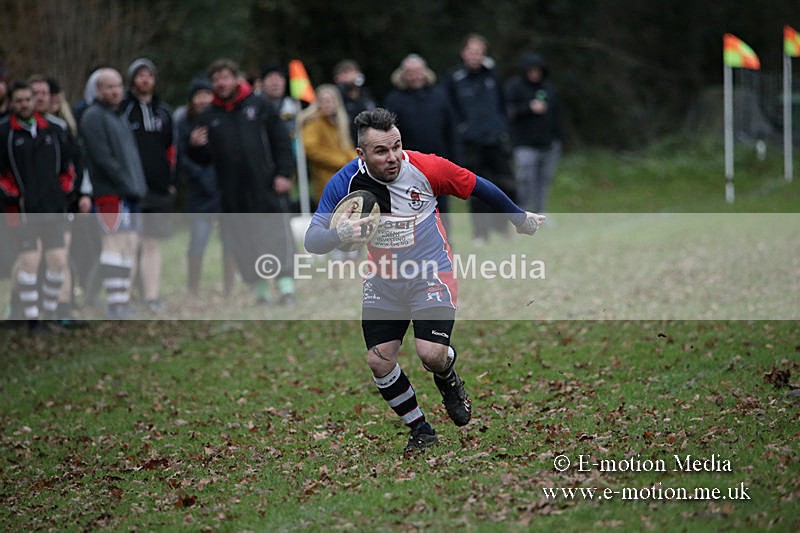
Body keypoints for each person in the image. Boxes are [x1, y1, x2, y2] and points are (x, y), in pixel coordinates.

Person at [304, 108, 545, 454]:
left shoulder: (425, 168)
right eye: (381, 151)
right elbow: (312, 240)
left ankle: (447, 376)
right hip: (383, 281)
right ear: (361, 154)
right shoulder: (345, 181)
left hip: (431, 272)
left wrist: (519, 219)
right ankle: (421, 429)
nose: (393, 157)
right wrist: (340, 232)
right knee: (379, 360)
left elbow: (479, 185)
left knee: (431, 354)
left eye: (396, 146)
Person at [188, 58, 297, 305]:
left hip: (267, 187)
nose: (221, 83)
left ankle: (286, 288)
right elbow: (202, 158)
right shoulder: (209, 116)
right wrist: (195, 146)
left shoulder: (260, 106)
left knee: (275, 236)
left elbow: (281, 141)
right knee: (243, 241)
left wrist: (283, 173)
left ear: (236, 79)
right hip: (232, 194)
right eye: (216, 80)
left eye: (225, 77)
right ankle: (261, 292)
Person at [0, 81, 75, 329]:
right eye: (18, 100)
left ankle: (50, 312)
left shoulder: (52, 130)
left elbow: (68, 166)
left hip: (52, 208)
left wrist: (62, 191)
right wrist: (13, 194)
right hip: (23, 212)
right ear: (12, 103)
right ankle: (32, 319)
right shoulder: (5, 133)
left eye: (27, 99)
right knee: (29, 261)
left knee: (58, 261)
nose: (24, 104)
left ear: (35, 101)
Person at [79, 68, 147, 319]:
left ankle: (123, 301)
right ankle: (115, 305)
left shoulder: (117, 116)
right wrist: (125, 182)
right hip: (110, 193)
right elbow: (103, 158)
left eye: (118, 85)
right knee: (113, 244)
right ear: (98, 90)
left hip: (128, 192)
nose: (115, 90)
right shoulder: (93, 116)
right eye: (109, 86)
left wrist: (136, 185)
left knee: (129, 244)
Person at [444, 33, 514, 244]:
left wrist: (501, 128)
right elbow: (449, 110)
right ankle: (480, 233)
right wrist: (463, 130)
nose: (475, 56)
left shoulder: (493, 76)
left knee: (503, 186)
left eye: (479, 52)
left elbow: (503, 105)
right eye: (472, 51)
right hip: (470, 144)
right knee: (476, 189)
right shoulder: (455, 79)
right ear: (464, 53)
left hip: (495, 141)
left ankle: (502, 228)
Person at [122, 58, 176, 314]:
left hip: (158, 189)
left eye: (149, 76)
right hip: (130, 188)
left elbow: (171, 149)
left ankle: (152, 296)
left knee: (152, 243)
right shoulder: (122, 110)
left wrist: (171, 181)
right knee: (130, 244)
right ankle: (125, 296)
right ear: (132, 80)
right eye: (140, 76)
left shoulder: (164, 112)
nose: (145, 80)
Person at [384, 54, 458, 231]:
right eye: (410, 72)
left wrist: (454, 159)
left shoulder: (439, 96)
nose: (415, 76)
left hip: (438, 164)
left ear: (425, 72)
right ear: (403, 75)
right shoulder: (394, 100)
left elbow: (451, 130)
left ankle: (445, 246)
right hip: (408, 166)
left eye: (418, 71)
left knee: (442, 209)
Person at [175, 76, 234, 296]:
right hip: (198, 192)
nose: (202, 100)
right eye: (198, 96)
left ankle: (229, 287)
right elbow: (179, 158)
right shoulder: (183, 124)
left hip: (223, 189)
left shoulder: (222, 119)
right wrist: (192, 147)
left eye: (206, 95)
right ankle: (193, 288)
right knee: (198, 239)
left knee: (230, 239)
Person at [506, 52, 564, 214]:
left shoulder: (549, 89)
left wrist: (558, 138)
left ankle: (541, 211)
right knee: (524, 179)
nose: (535, 74)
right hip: (524, 144)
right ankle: (522, 211)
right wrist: (528, 108)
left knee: (544, 180)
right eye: (531, 70)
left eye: (538, 71)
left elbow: (557, 115)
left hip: (549, 143)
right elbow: (509, 112)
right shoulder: (514, 88)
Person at [297, 84, 356, 202]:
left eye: (331, 100)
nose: (328, 104)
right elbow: (310, 148)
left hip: (343, 178)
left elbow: (347, 147)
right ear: (317, 103)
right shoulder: (314, 122)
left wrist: (357, 160)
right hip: (326, 180)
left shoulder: (338, 122)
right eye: (324, 100)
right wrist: (342, 161)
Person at [333, 59, 377, 145]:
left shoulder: (366, 96)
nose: (351, 76)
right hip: (345, 145)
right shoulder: (336, 97)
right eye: (345, 73)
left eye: (353, 72)